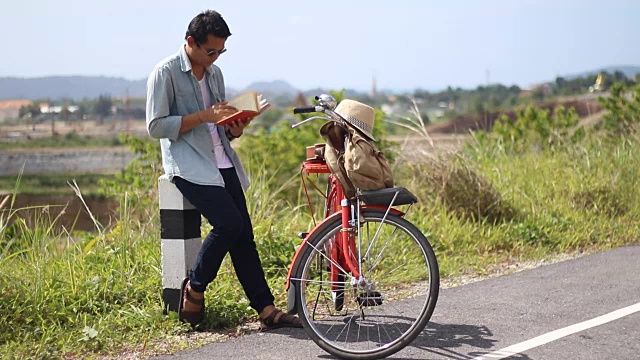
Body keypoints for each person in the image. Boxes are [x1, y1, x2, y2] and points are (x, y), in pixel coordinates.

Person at [146, 10, 301, 329]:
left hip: (223, 162)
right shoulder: (165, 73)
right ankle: (196, 286)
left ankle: (266, 309)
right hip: (190, 164)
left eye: (221, 51)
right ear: (191, 42)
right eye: (211, 51)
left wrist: (236, 127)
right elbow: (155, 125)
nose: (216, 58)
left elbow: (220, 126)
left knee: (245, 236)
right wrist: (203, 116)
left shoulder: (214, 74)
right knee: (229, 225)